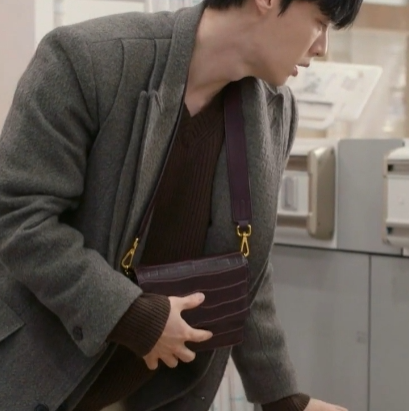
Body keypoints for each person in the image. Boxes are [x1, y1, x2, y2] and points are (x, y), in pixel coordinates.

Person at [0, 0, 363, 410]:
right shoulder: (87, 59)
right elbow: (19, 216)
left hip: (147, 394)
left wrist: (283, 399)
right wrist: (133, 316)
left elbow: (246, 269)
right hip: (33, 379)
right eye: (319, 22)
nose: (322, 47)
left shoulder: (273, 109)